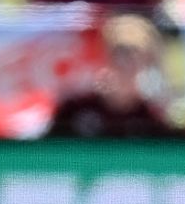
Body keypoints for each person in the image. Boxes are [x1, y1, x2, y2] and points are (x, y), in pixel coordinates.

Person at [47, 14, 177, 138]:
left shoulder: (152, 117)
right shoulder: (76, 109)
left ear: (147, 60)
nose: (126, 61)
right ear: (105, 55)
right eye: (120, 51)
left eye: (135, 53)